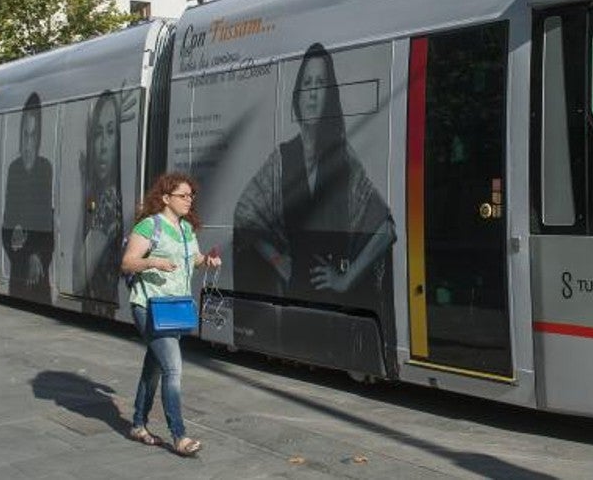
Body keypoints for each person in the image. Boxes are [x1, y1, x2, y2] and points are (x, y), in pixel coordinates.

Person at [233, 43, 396, 308]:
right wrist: (277, 261)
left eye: (320, 84)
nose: (312, 94)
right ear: (298, 94)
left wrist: (346, 279)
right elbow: (245, 214)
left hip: (341, 305)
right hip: (294, 297)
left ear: (329, 96)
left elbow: (385, 229)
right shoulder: (282, 158)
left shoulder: (342, 157)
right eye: (307, 83)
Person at [120, 172, 220, 457]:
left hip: (175, 307)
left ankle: (138, 424)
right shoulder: (149, 227)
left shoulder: (187, 229)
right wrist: (153, 261)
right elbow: (128, 263)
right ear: (166, 198)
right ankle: (179, 436)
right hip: (149, 306)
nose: (189, 200)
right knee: (173, 369)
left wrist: (207, 262)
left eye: (191, 196)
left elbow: (194, 260)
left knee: (154, 368)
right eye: (183, 196)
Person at [2, 92, 54, 303]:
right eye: (25, 134)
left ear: (39, 137)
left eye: (33, 135)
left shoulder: (44, 168)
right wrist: (14, 240)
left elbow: (46, 219)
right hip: (18, 265)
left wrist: (37, 254)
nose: (28, 143)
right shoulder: (14, 169)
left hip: (39, 264)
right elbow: (8, 220)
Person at [81, 90, 123, 307]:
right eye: (98, 134)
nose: (104, 145)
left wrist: (83, 185)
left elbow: (79, 274)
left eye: (110, 131)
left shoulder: (109, 199)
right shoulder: (109, 195)